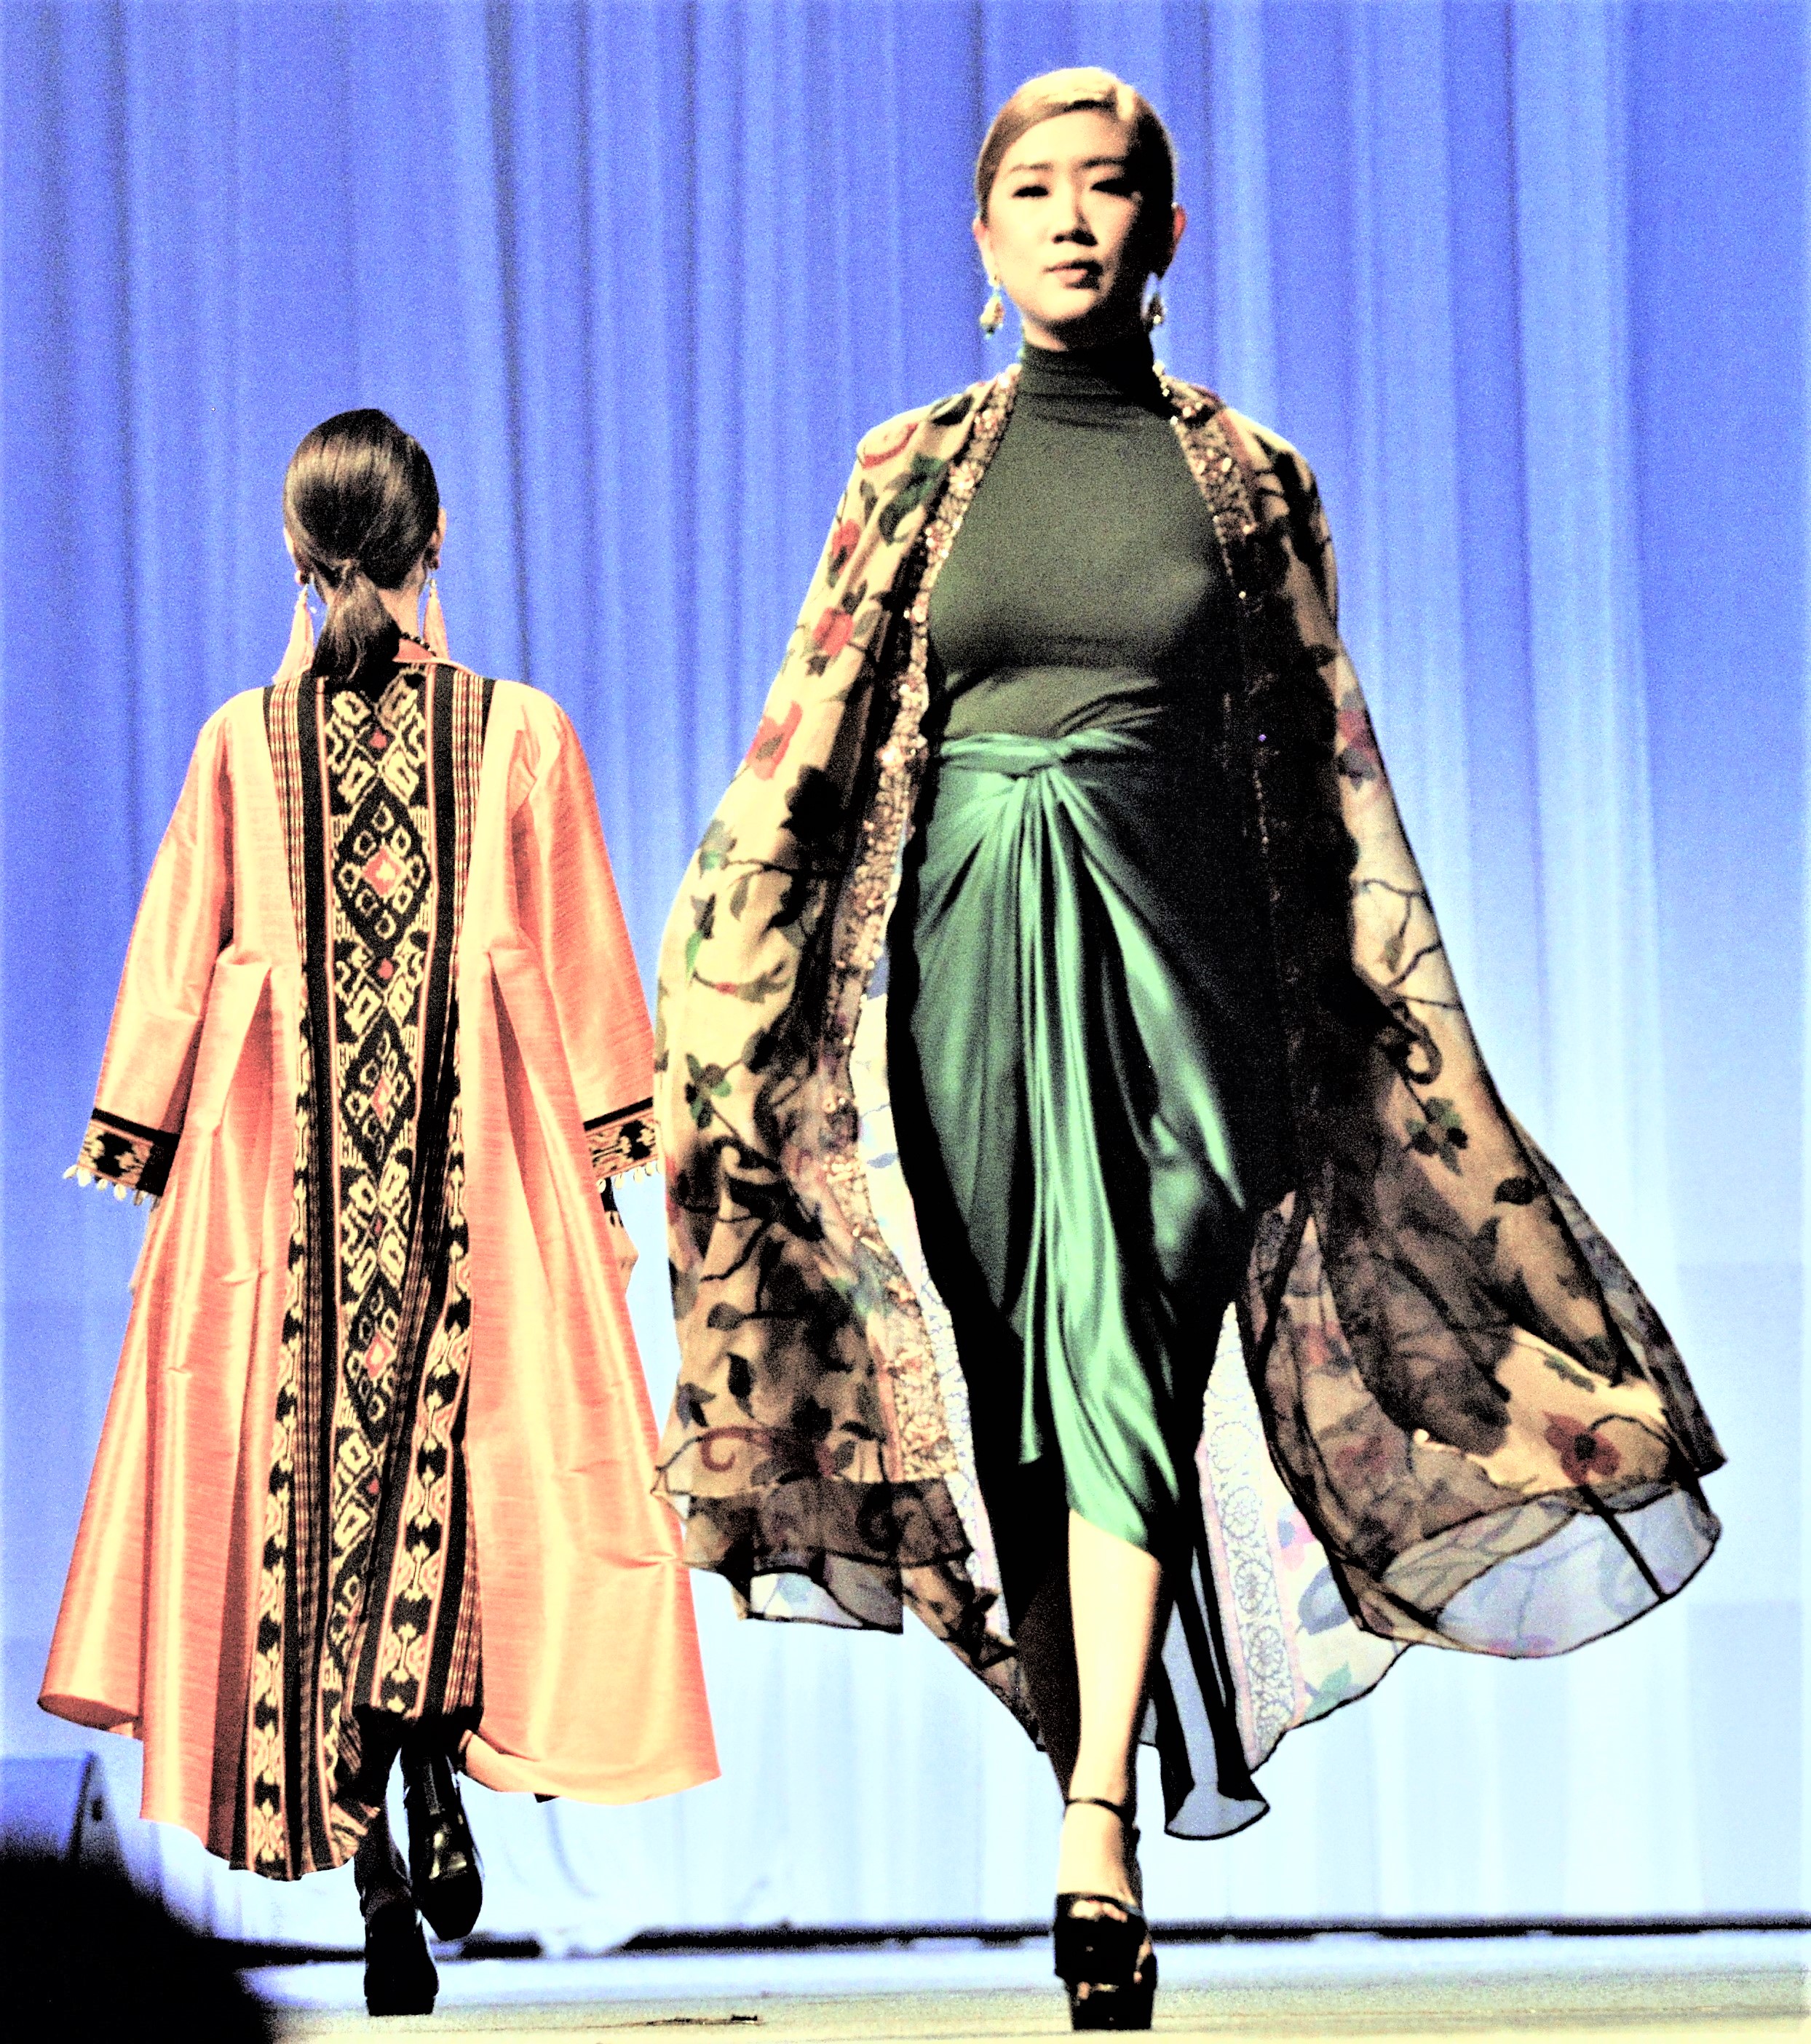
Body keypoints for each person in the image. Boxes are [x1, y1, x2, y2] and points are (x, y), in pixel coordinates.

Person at [652, 67, 1724, 2031]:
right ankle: (1090, 1756)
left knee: (1132, 1345)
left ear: (1167, 230)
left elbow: (1323, 778)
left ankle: (1095, 1832)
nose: (1071, 218)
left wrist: (1364, 1040)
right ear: (984, 243)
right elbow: (798, 747)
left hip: (1186, 972)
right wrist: (718, 1014)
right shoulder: (906, 470)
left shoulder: (1252, 478)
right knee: (1018, 1387)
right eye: (1034, 191)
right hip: (968, 965)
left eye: (1109, 187)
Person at [42, 410, 717, 2016]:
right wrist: (609, 1148)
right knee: (459, 1494)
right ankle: (430, 1789)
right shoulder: (520, 734)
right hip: (474, 1185)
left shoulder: (241, 744)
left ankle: (373, 1873)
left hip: (284, 1193)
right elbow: (577, 958)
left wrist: (145, 1144)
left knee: (312, 1517)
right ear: (436, 544)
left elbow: (175, 962)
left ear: (295, 555)